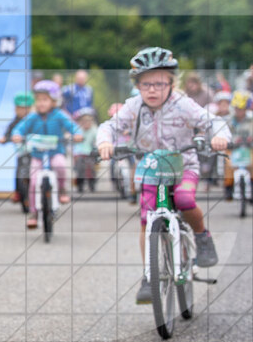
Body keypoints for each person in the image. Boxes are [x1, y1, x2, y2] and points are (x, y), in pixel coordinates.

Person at [97, 47, 230, 304]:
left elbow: (213, 121)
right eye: (146, 84)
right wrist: (105, 142)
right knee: (147, 220)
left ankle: (202, 237)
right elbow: (109, 127)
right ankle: (149, 274)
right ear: (137, 85)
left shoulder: (184, 104)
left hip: (184, 165)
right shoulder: (133, 107)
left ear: (172, 82)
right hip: (150, 169)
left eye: (159, 83)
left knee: (184, 199)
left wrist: (220, 137)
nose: (152, 90)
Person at [11, 80, 81, 229]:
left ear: (54, 101)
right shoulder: (32, 116)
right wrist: (16, 135)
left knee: (60, 165)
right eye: (38, 100)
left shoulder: (59, 115)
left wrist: (77, 134)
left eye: (45, 100)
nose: (41, 103)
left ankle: (62, 189)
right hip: (37, 155)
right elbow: (19, 128)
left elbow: (72, 126)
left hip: (55, 152)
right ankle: (33, 213)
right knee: (34, 182)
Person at [222, 91, 253, 201]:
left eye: (242, 108)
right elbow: (221, 133)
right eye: (237, 108)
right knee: (228, 164)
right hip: (233, 148)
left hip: (249, 148)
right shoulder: (228, 120)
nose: (239, 111)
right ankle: (228, 188)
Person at [0, 92, 34, 206]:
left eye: (26, 108)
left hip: (35, 151)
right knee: (19, 171)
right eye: (21, 108)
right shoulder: (14, 123)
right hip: (21, 152)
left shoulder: (34, 120)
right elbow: (8, 133)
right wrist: (5, 138)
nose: (23, 111)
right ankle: (18, 192)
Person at [73, 107, 98, 191]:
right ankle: (80, 183)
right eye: (83, 121)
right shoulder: (78, 130)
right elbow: (73, 140)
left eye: (88, 121)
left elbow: (97, 139)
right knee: (80, 166)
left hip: (90, 151)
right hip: (79, 152)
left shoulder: (94, 130)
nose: (86, 123)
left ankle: (92, 182)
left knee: (91, 166)